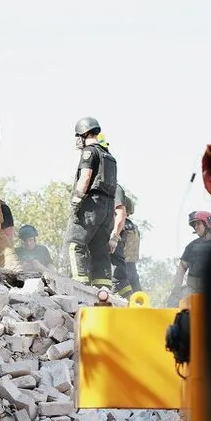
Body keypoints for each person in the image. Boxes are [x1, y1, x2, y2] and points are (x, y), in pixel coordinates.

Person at [64, 117, 117, 291]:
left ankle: (78, 284)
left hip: (91, 205)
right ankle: (103, 287)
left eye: (78, 136)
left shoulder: (89, 151)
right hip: (107, 208)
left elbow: (86, 177)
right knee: (99, 248)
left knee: (74, 242)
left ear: (84, 133)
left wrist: (76, 201)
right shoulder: (109, 156)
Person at [168, 210, 211, 304]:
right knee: (173, 303)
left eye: (198, 224)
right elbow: (182, 267)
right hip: (192, 291)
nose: (195, 227)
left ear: (208, 223)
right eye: (194, 225)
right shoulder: (192, 246)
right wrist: (176, 289)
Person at [109, 186, 142, 297]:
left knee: (122, 291)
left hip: (122, 266)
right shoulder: (134, 227)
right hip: (132, 267)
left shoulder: (120, 225)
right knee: (137, 294)